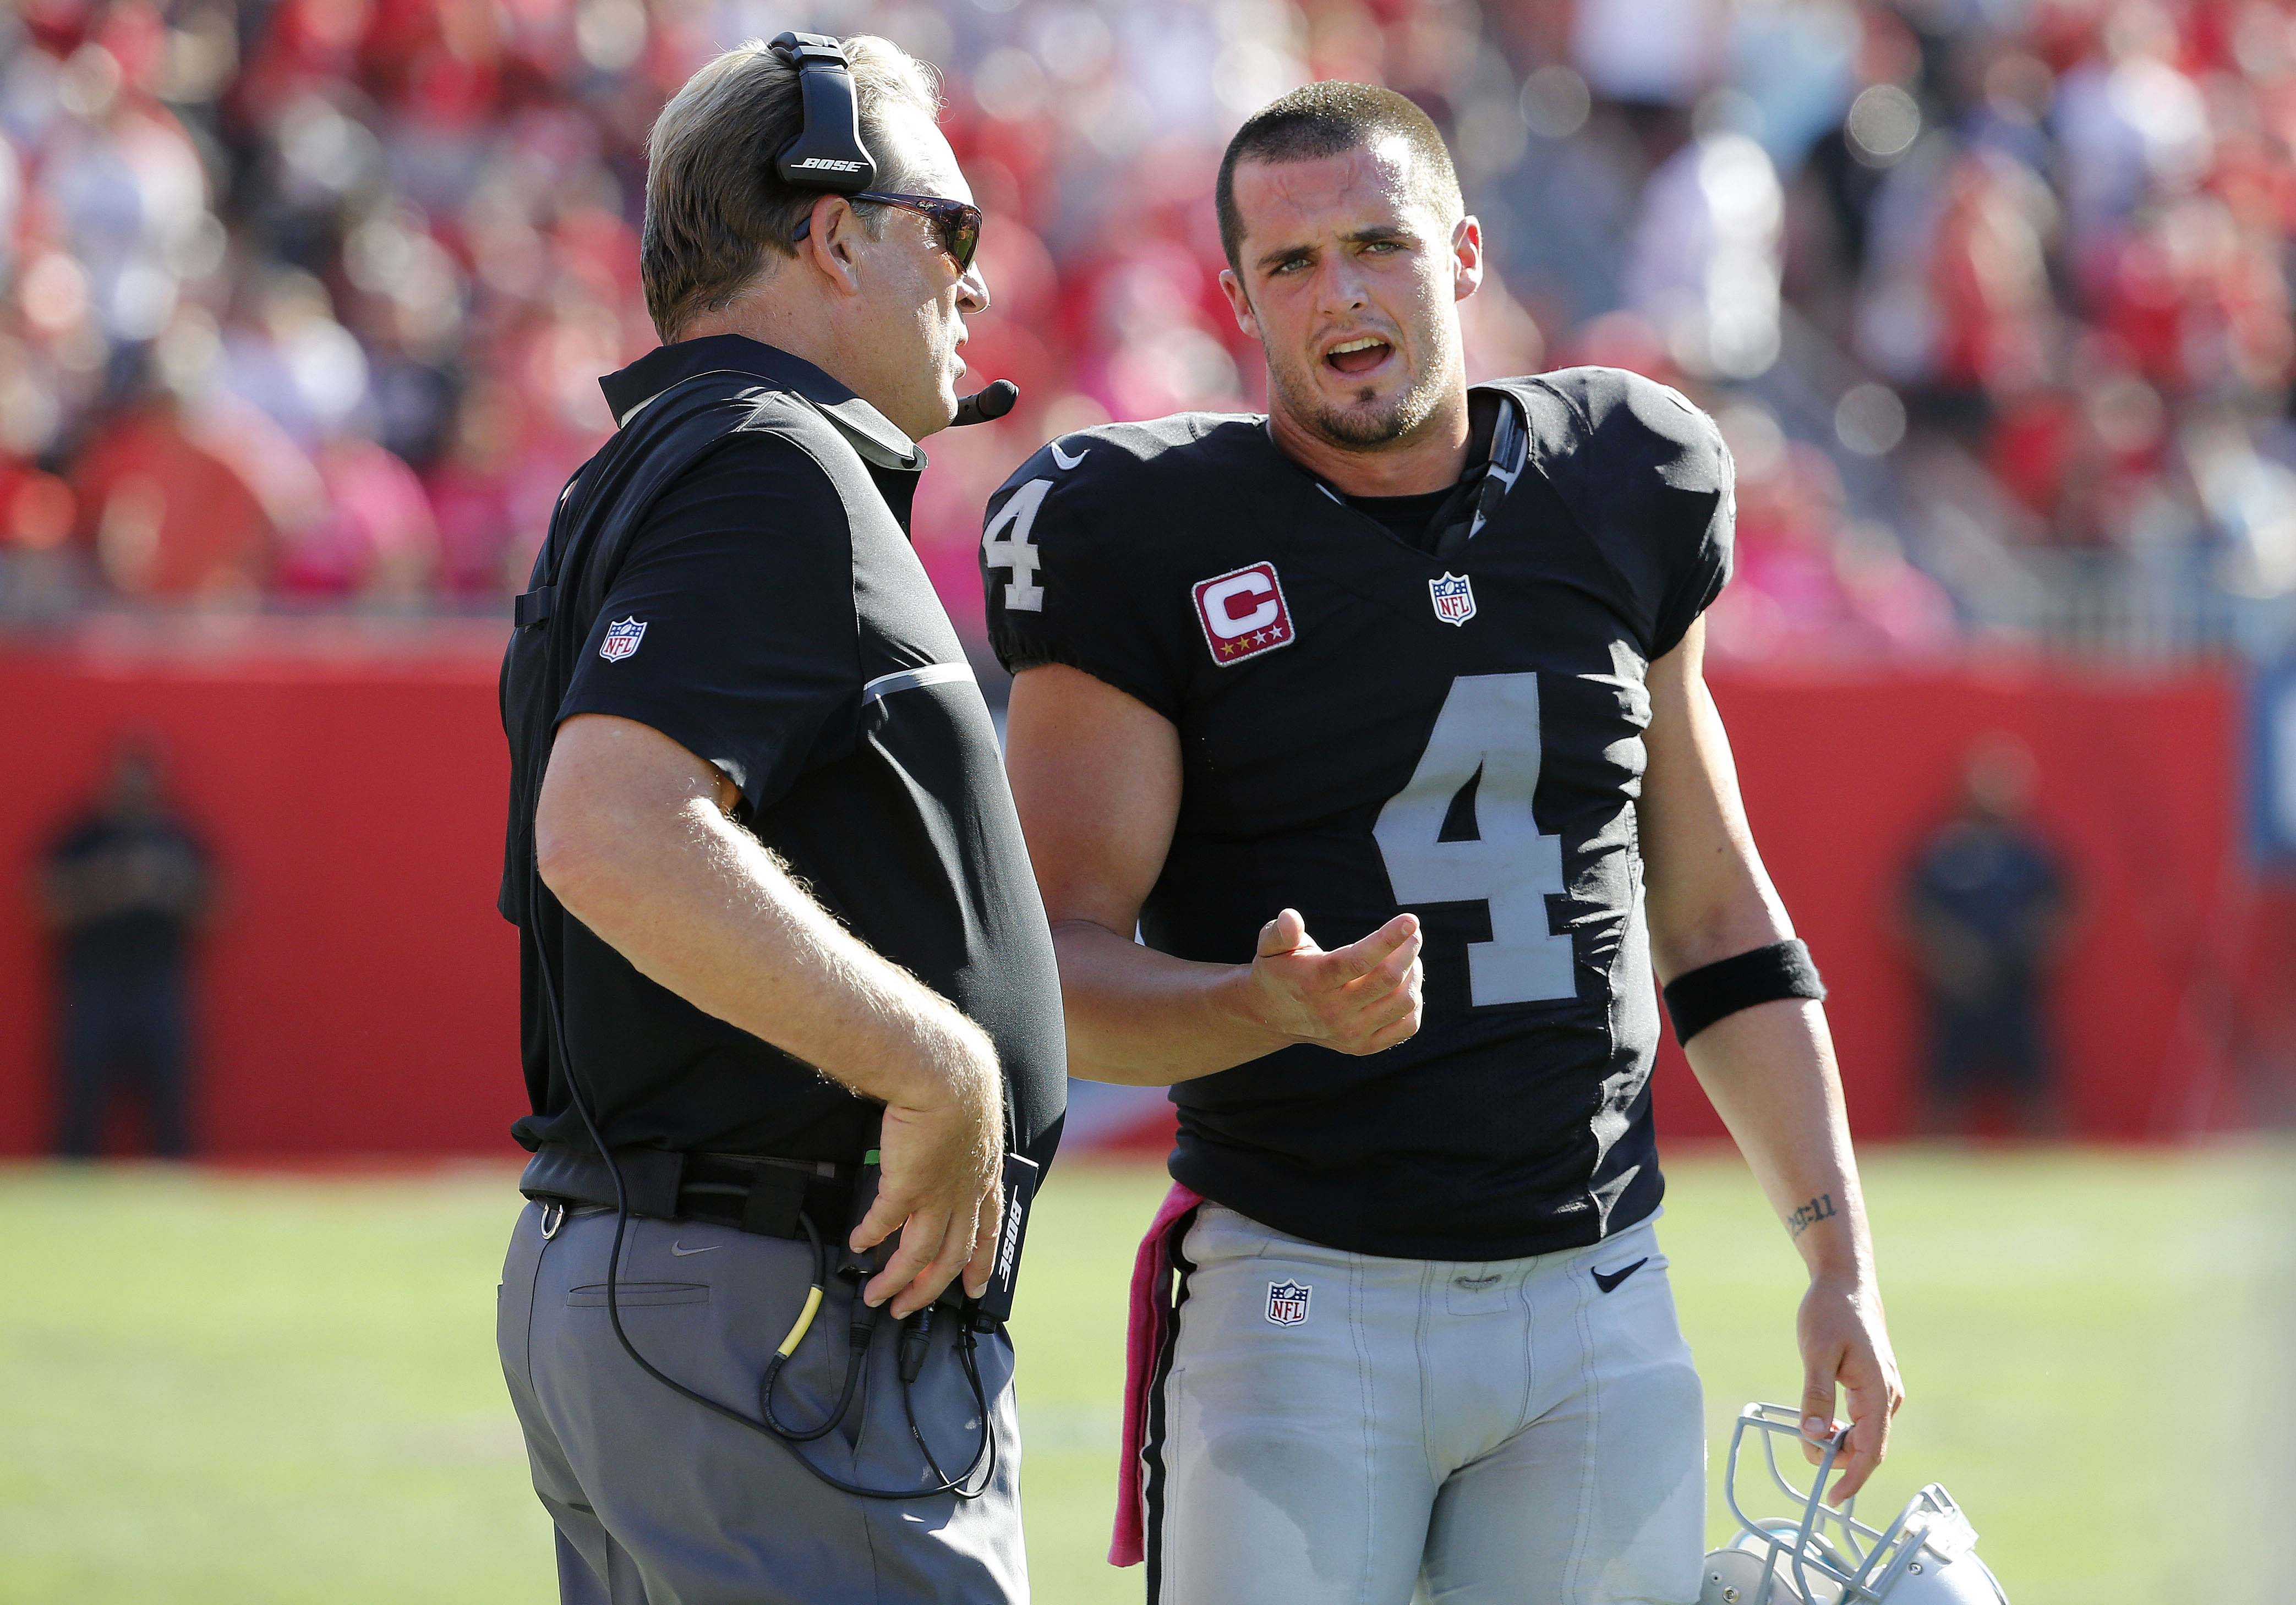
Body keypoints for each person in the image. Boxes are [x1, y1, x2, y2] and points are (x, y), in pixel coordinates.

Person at [980, 83, 1901, 1603]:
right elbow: (1044, 965)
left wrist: (1834, 1257)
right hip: (1300, 1287)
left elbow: (1720, 921)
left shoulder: (1622, 478)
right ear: (1235, 300)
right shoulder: (1142, 530)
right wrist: (1256, 1007)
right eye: (1289, 264)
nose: (1340, 292)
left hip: (1594, 1286)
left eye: (1376, 244)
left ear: (1461, 254)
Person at [494, 35, 1063, 1605]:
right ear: (830, 229)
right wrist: (937, 1058)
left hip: (688, 1285)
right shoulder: (768, 456)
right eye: (948, 223)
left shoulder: (678, 457)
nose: (973, 274)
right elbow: (609, 830)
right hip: (767, 1305)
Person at [41, 740, 212, 1159]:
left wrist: (167, 887)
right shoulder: (85, 837)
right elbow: (44, 901)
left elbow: (218, 903)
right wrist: (109, 885)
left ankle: (174, 1181)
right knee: (83, 1085)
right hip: (93, 978)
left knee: (169, 1088)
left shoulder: (175, 838)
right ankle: (73, 1178)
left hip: (158, 977)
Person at [1904, 736, 2071, 1135]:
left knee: (2037, 1088)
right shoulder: (1946, 847)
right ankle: (1928, 1174)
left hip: (2016, 987)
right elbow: (1910, 911)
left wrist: (2033, 943)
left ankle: (2057, 1171)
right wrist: (1951, 957)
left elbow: (2065, 906)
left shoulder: (2032, 850)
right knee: (1943, 1088)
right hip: (1958, 991)